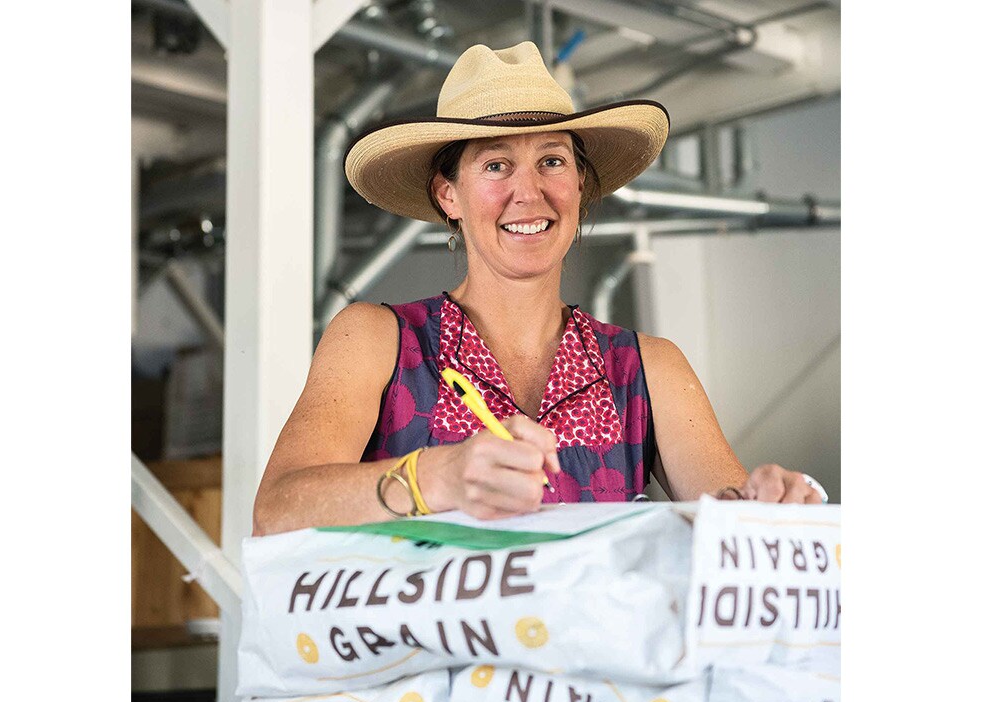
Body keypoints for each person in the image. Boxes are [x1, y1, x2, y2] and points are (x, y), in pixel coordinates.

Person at [253, 41, 827, 536]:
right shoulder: (378, 338)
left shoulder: (647, 367)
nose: (528, 194)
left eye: (551, 161)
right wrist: (438, 476)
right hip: (423, 664)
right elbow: (277, 512)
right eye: (496, 166)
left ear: (579, 182)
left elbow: (734, 527)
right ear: (448, 194)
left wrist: (773, 506)